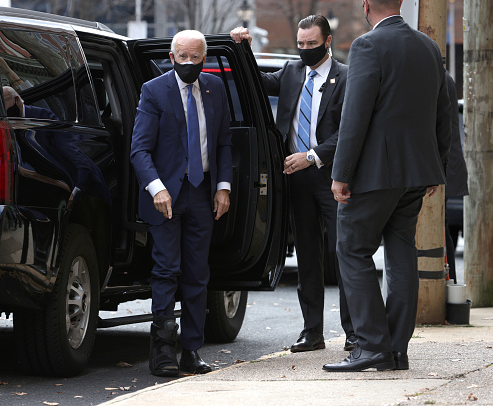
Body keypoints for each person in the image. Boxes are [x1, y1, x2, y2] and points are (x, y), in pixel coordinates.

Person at [324, 0, 451, 372]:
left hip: (374, 174)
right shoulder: (428, 46)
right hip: (416, 174)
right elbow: (442, 111)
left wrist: (340, 174)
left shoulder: (367, 45)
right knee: (401, 255)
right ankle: (396, 350)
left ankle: (372, 346)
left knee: (352, 249)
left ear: (366, 5)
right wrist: (436, 169)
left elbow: (355, 113)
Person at [231, 15, 355, 353]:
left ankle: (354, 332)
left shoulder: (346, 78)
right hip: (294, 179)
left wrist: (313, 156)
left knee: (343, 256)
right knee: (307, 257)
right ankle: (312, 331)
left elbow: (350, 132)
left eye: (311, 45)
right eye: (300, 44)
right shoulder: (291, 71)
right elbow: (255, 83)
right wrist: (242, 51)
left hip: (333, 178)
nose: (304, 50)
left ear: (327, 42)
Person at [130, 30, 232, 377]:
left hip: (203, 193)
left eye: (196, 57)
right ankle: (162, 350)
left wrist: (223, 186)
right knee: (166, 270)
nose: (189, 63)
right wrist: (156, 188)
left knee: (197, 273)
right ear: (172, 57)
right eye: (182, 57)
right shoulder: (154, 91)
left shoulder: (215, 88)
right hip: (167, 196)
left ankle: (191, 350)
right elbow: (139, 149)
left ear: (204, 59)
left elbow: (223, 143)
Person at [443, 72, 468, 283]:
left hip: (438, 171)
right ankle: (451, 290)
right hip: (442, 170)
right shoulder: (443, 77)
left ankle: (450, 290)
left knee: (442, 232)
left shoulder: (437, 77)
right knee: (444, 231)